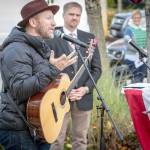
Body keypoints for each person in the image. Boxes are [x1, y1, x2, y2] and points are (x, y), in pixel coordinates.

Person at [0, 0, 77, 150]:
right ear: (33, 22)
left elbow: (43, 87)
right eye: (48, 18)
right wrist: (52, 69)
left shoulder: (39, 47)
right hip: (17, 128)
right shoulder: (15, 50)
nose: (54, 23)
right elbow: (20, 89)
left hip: (39, 123)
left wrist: (62, 91)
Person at [46, 2, 102, 150]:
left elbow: (97, 69)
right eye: (71, 14)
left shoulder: (89, 38)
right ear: (63, 15)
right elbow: (45, 68)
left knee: (81, 141)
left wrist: (85, 89)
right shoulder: (51, 37)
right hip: (58, 98)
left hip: (82, 98)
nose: (74, 17)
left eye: (77, 15)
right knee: (56, 140)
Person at [123, 9, 147, 83]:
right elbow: (129, 44)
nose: (137, 19)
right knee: (136, 78)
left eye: (138, 17)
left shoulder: (144, 29)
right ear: (132, 18)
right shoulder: (128, 29)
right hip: (132, 58)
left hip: (143, 58)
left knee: (142, 77)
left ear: (141, 18)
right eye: (135, 17)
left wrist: (146, 50)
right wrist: (140, 50)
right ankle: (133, 93)